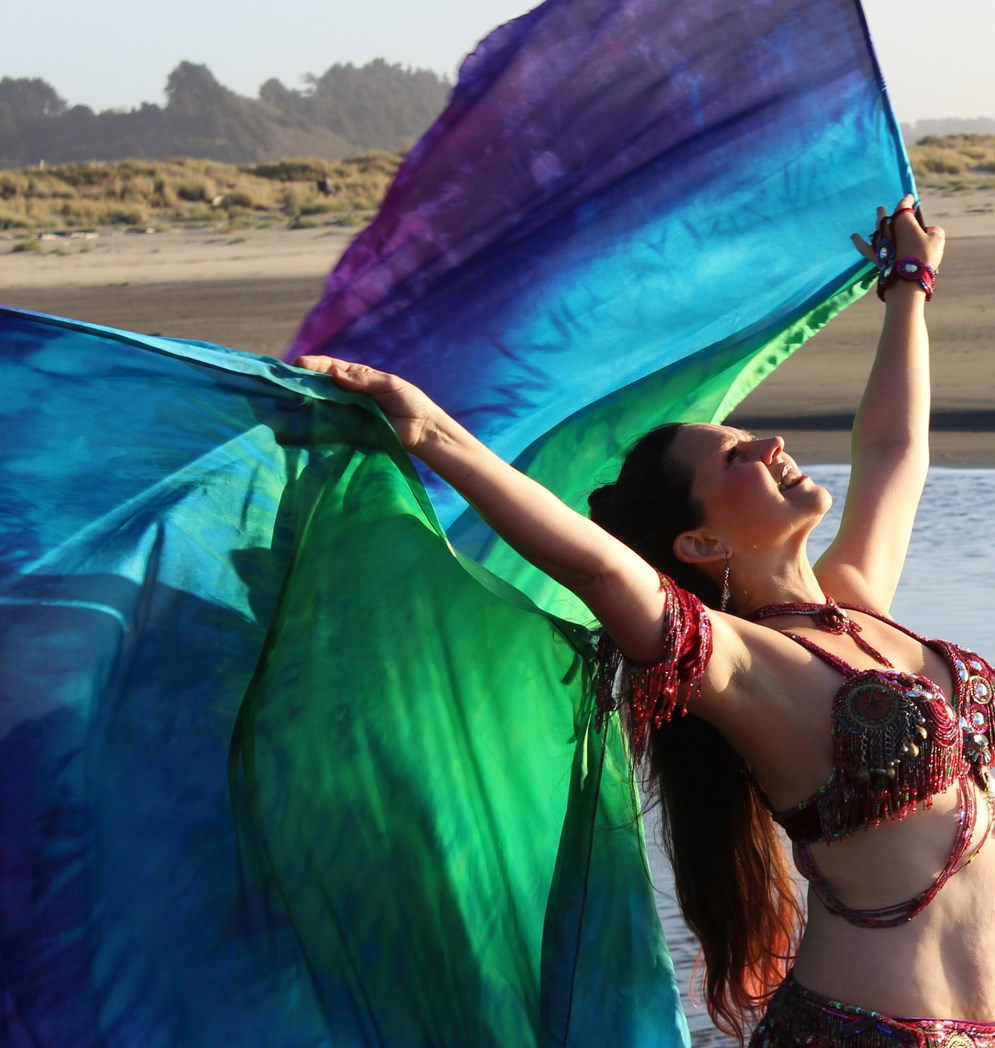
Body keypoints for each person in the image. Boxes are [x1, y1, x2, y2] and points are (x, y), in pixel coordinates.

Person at [296, 195, 995, 1046]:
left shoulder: (855, 601)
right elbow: (597, 565)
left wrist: (908, 283)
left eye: (749, 436)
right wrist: (431, 430)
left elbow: (893, 449)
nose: (769, 445)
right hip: (868, 1034)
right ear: (699, 539)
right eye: (735, 455)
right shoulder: (740, 665)